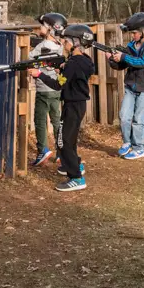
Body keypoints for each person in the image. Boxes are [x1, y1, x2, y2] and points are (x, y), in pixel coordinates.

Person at [29, 23, 95, 192]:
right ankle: (73, 165)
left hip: (73, 106)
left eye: (67, 40)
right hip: (76, 104)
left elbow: (58, 85)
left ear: (76, 42)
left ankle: (76, 178)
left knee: (63, 140)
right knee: (68, 139)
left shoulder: (73, 63)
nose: (64, 43)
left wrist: (39, 74)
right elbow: (72, 74)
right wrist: (62, 67)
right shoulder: (84, 61)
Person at [109, 12, 144, 161]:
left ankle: (139, 148)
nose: (133, 36)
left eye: (135, 33)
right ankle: (128, 142)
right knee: (124, 116)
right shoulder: (130, 45)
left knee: (138, 119)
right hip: (130, 86)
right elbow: (122, 65)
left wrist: (123, 56)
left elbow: (143, 62)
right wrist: (113, 59)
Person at [30, 13, 67, 167]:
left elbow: (29, 58)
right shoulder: (60, 47)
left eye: (43, 25)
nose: (40, 28)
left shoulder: (42, 46)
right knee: (57, 121)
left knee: (39, 120)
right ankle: (61, 152)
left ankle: (42, 150)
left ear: (51, 29)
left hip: (43, 90)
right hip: (56, 90)